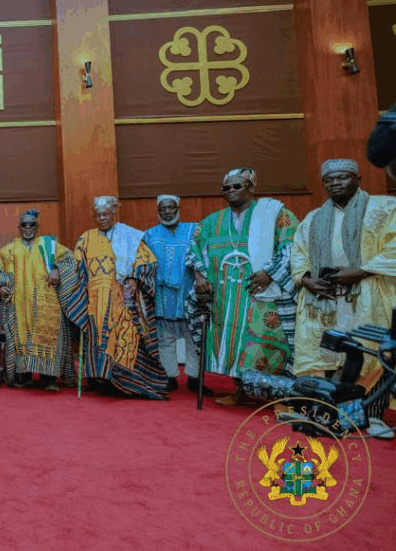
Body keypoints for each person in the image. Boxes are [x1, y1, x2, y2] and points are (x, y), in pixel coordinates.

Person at [291, 159, 396, 438]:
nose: (335, 183)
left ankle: (372, 416)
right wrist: (305, 279)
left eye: (343, 178)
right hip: (322, 300)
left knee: (370, 354)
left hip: (367, 294)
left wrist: (359, 272)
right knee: (323, 356)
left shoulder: (384, 209)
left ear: (358, 179)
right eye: (329, 180)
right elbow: (298, 252)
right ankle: (326, 412)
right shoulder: (313, 218)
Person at [189, 168, 299, 406]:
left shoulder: (275, 215)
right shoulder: (211, 223)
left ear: (252, 187)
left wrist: (269, 274)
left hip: (262, 295)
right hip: (225, 297)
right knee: (233, 343)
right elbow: (193, 250)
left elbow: (292, 246)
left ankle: (276, 395)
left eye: (237, 186)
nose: (231, 191)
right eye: (226, 188)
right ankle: (239, 389)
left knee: (268, 341)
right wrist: (199, 278)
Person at [75, 196, 168, 399]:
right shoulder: (86, 238)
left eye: (105, 214)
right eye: (98, 215)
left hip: (124, 299)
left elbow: (147, 260)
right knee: (97, 337)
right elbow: (78, 268)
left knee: (127, 337)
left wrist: (135, 277)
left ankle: (125, 382)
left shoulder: (129, 236)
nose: (102, 218)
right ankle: (99, 378)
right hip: (96, 302)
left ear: (112, 214)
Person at [0, 209, 89, 391]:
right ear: (19, 227)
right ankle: (24, 376)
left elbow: (70, 260)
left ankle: (49, 379)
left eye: (32, 224)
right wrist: (0, 288)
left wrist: (57, 270)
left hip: (47, 302)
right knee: (22, 340)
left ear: (38, 226)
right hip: (19, 305)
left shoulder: (49, 245)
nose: (28, 228)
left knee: (47, 337)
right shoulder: (8, 250)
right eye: (24, 225)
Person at [142, 195, 204, 393]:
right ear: (158, 212)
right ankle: (169, 377)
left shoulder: (195, 230)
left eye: (171, 207)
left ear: (178, 208)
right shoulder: (149, 234)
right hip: (162, 297)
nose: (167, 212)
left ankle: (195, 378)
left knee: (194, 338)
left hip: (189, 294)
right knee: (165, 339)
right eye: (162, 209)